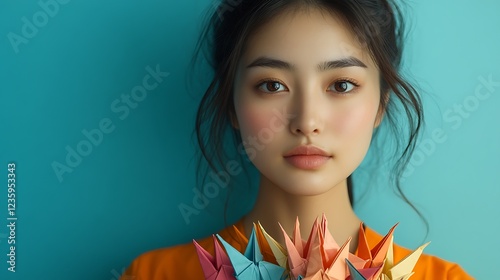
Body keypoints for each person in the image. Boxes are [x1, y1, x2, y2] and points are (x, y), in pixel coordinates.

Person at [122, 0, 473, 279]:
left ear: (381, 104)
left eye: (341, 85)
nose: (307, 121)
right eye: (272, 85)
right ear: (232, 102)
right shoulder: (155, 275)